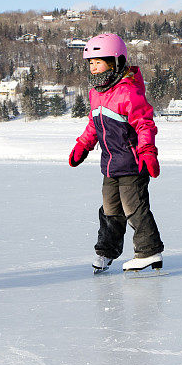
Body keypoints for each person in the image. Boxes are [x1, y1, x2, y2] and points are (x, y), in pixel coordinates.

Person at [68, 33, 164, 274]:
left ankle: (149, 251)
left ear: (115, 62)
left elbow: (144, 124)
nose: (93, 67)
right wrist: (83, 145)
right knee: (110, 209)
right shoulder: (97, 93)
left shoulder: (128, 92)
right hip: (110, 165)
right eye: (90, 62)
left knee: (134, 208)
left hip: (133, 163)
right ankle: (106, 252)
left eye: (98, 62)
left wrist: (148, 151)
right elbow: (94, 125)